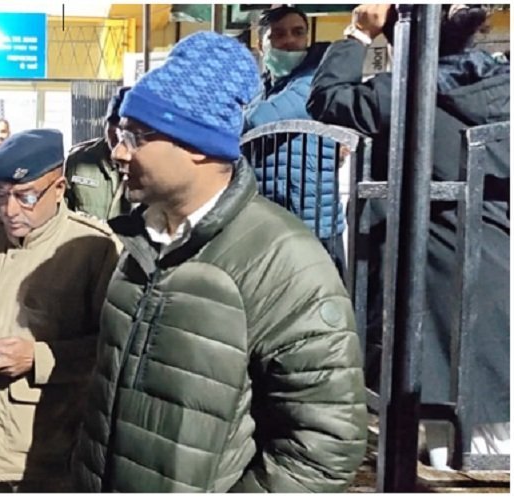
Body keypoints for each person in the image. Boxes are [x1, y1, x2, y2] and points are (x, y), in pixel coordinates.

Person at [71, 32, 366, 493]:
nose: (118, 151)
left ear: (197, 144)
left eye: (136, 136)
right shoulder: (139, 239)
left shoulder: (285, 261)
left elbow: (325, 446)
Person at [307, 4, 510, 465]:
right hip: (498, 265)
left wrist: (359, 33)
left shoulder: (399, 96)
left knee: (451, 442)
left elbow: (327, 98)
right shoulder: (505, 87)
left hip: (434, 282)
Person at [0, 129, 121, 493]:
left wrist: (36, 358)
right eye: (2, 196)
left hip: (49, 448)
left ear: (59, 189)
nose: (10, 210)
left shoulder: (93, 249)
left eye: (26, 196)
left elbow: (112, 346)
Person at [244, 6, 346, 276]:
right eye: (278, 34)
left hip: (313, 224)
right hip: (272, 221)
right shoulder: (262, 87)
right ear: (261, 45)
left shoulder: (317, 80)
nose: (289, 41)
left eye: (298, 32)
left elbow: (260, 120)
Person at [64, 86, 132, 220]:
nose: (117, 134)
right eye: (113, 124)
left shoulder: (150, 166)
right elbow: (64, 213)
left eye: (125, 129)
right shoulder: (79, 161)